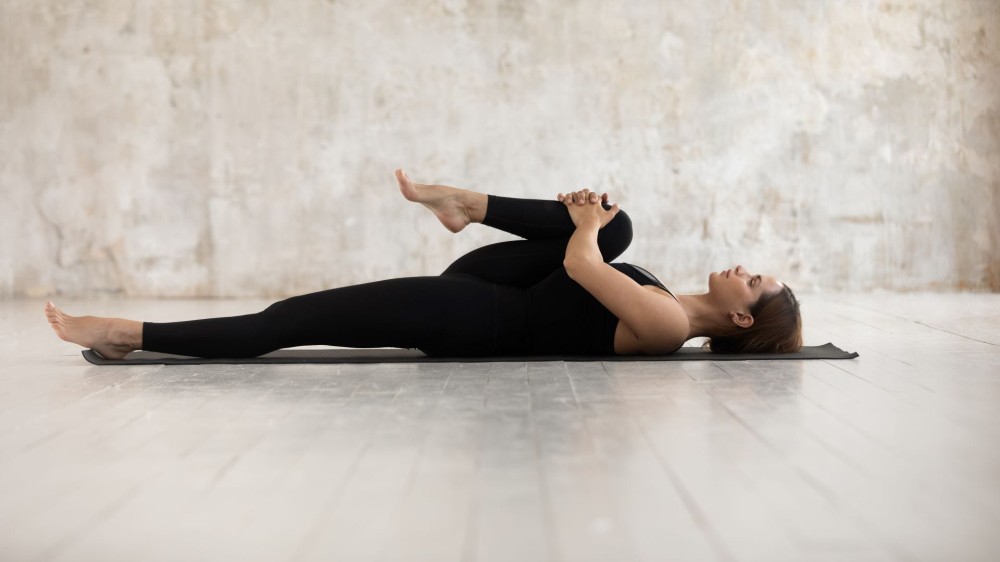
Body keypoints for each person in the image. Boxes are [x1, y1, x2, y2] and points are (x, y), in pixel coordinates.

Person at [45, 169, 802, 359]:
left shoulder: (668, 325)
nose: (746, 267)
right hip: (494, 287)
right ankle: (461, 203)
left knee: (295, 320)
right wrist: (600, 220)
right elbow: (581, 254)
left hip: (477, 318)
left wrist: (584, 225)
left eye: (756, 280)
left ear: (741, 318)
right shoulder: (665, 294)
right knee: (623, 223)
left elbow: (578, 268)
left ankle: (129, 332)